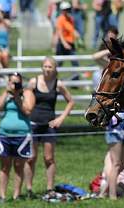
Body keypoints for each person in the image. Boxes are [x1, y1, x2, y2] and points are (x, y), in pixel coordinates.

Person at [25, 57, 75, 199]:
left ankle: (49, 188)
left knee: (49, 158)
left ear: (54, 69)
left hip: (49, 124)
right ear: (42, 67)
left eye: (50, 67)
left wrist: (61, 118)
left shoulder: (58, 84)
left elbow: (71, 102)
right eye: (45, 66)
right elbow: (26, 99)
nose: (47, 69)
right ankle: (29, 189)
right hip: (33, 123)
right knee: (30, 157)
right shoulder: (33, 82)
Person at [0, 73, 35, 202]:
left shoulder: (27, 93)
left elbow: (28, 110)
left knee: (18, 165)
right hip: (4, 134)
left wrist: (17, 96)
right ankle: (2, 196)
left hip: (22, 135)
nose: (14, 84)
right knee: (5, 166)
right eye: (11, 82)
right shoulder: (6, 93)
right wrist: (7, 92)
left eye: (16, 82)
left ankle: (16, 195)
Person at [99, 105, 124, 199]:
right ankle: (112, 196)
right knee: (116, 164)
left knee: (122, 165)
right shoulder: (115, 99)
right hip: (114, 132)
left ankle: (103, 192)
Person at [55, 1, 80, 71]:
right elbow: (59, 33)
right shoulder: (60, 19)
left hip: (70, 43)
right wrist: (64, 43)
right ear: (62, 10)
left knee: (75, 62)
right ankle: (54, 78)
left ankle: (76, 78)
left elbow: (71, 29)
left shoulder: (70, 19)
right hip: (62, 44)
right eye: (66, 9)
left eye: (68, 9)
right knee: (59, 63)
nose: (68, 11)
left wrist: (76, 33)